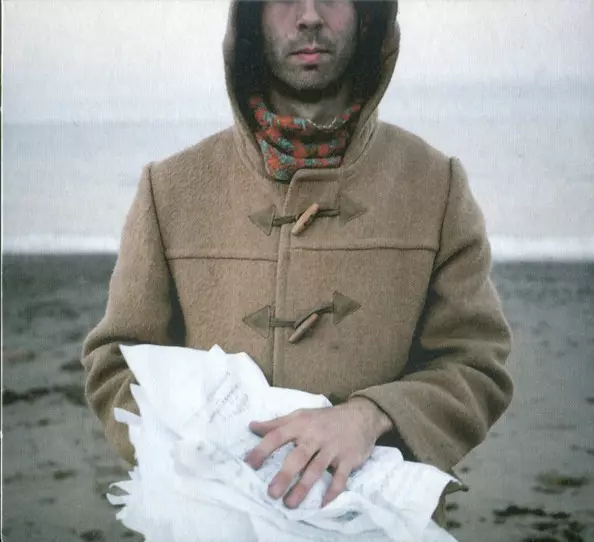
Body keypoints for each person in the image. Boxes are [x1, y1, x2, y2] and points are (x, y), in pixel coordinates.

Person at [82, 0, 513, 526]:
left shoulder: (435, 185)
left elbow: (476, 365)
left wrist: (370, 416)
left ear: (367, 15)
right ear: (251, 17)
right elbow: (116, 363)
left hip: (380, 526)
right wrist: (196, 471)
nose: (309, 15)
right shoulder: (170, 189)